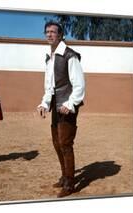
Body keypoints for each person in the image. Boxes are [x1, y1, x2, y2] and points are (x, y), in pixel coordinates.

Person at [37, 21, 85, 197]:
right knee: (57, 143)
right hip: (55, 105)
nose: (49, 35)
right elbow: (49, 86)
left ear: (61, 35)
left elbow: (79, 84)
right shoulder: (50, 57)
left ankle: (70, 184)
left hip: (66, 106)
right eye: (47, 32)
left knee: (65, 143)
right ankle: (65, 176)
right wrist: (44, 103)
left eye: (53, 32)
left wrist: (70, 104)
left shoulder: (69, 55)